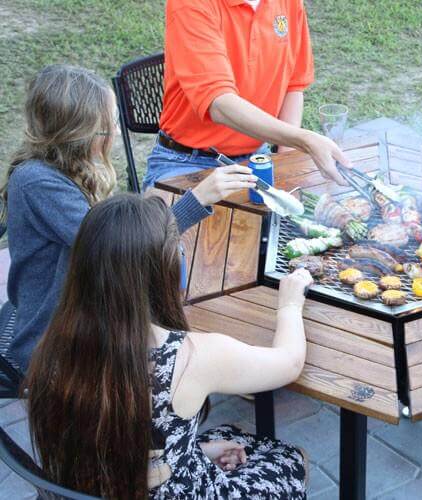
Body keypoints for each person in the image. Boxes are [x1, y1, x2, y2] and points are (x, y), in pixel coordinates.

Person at [24, 194, 312, 498]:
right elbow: (290, 363)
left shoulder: (54, 346)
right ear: (165, 271)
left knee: (232, 436)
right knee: (292, 460)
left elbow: (110, 439)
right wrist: (290, 305)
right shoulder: (190, 356)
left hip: (103, 486)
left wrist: (193, 451)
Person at [0, 64, 257, 372]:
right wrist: (196, 200)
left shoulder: (65, 168)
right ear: (76, 134)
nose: (116, 131)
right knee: (195, 358)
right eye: (108, 125)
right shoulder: (38, 183)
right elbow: (119, 246)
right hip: (55, 345)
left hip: (86, 315)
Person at [144, 0, 351, 189]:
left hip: (256, 158)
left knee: (313, 215)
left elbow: (293, 84)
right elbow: (218, 103)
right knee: (190, 220)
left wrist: (286, 161)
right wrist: (304, 140)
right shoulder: (190, 4)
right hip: (187, 161)